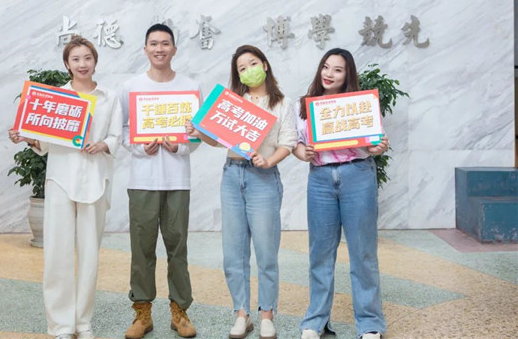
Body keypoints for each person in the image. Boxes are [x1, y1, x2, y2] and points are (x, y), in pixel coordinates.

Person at [8, 36, 123, 339]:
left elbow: (116, 137)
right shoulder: (57, 98)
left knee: (89, 255)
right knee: (57, 254)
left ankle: (83, 323)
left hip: (95, 180)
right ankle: (60, 325)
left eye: (87, 58)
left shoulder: (109, 97)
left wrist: (103, 145)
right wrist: (25, 136)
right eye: (76, 59)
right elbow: (43, 143)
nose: (82, 64)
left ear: (95, 61)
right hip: (61, 179)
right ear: (67, 65)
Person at [186, 45, 297, 339]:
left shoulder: (282, 103)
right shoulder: (233, 102)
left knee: (266, 251)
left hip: (264, 178)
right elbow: (216, 139)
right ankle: (241, 313)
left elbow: (287, 141)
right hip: (232, 176)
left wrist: (268, 161)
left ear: (265, 65)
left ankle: (267, 314)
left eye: (253, 63)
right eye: (241, 68)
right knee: (234, 251)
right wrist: (199, 130)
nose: (248, 71)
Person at [293, 48, 389, 339]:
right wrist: (303, 152)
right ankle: (316, 321)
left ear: (348, 75)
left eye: (337, 69)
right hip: (320, 179)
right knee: (320, 253)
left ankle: (370, 324)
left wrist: (378, 147)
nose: (329, 74)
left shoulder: (361, 105)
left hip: (357, 175)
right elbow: (295, 143)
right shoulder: (303, 105)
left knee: (363, 252)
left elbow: (374, 143)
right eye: (325, 66)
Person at [120, 24, 200, 339]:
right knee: (141, 248)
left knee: (178, 247)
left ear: (174, 49)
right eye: (153, 44)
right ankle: (142, 313)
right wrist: (142, 147)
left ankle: (180, 311)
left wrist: (180, 146)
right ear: (145, 49)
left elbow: (198, 134)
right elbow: (123, 130)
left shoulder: (191, 87)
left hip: (178, 179)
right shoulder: (131, 87)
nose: (159, 49)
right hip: (142, 179)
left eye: (165, 43)